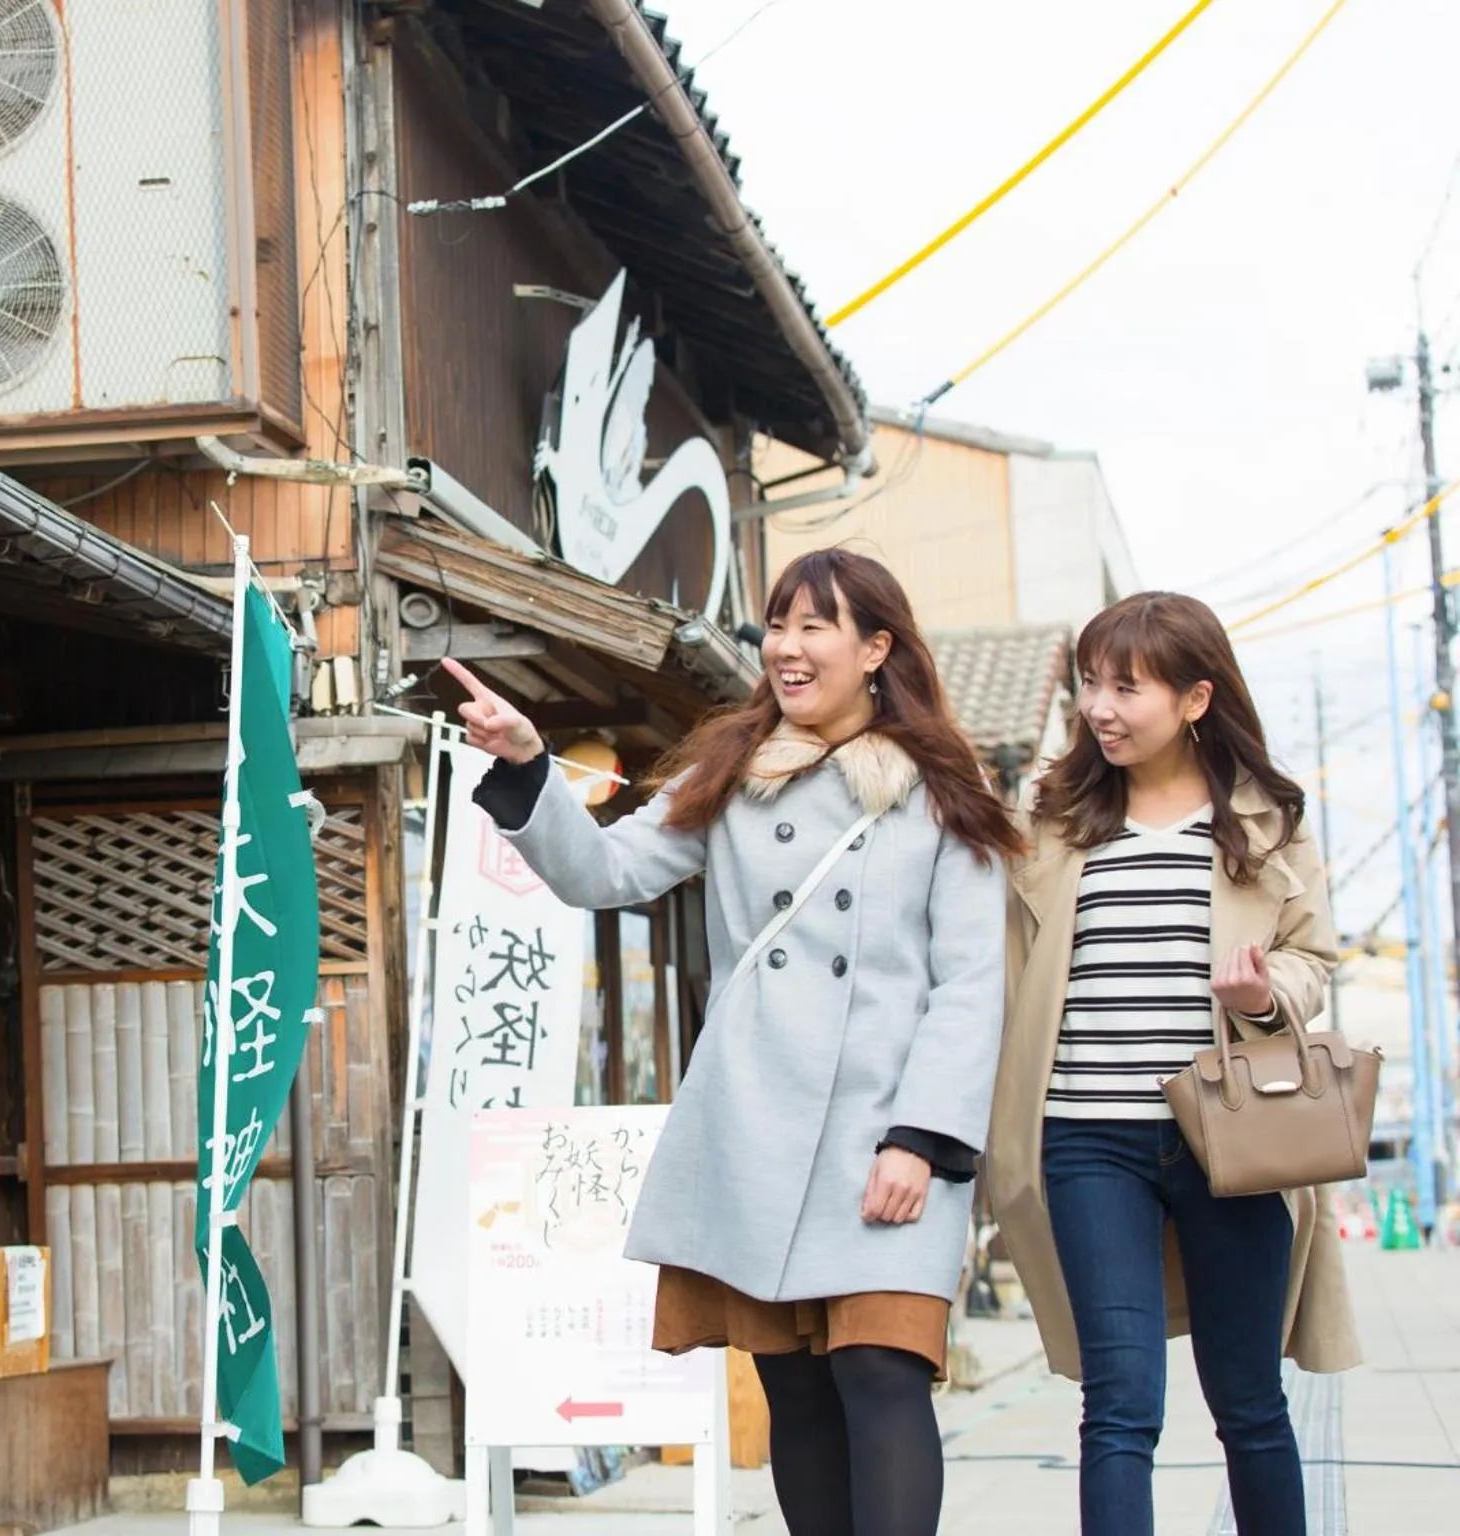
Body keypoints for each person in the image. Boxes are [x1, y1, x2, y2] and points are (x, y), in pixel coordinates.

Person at [445, 549, 1019, 1536]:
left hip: (889, 1137)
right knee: (794, 1391)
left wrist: (918, 1139)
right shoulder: (730, 775)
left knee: (881, 1371)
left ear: (874, 647)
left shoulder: (936, 791)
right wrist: (528, 765)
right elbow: (604, 872)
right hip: (758, 1129)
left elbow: (968, 982)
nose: (786, 650)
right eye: (776, 627)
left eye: (812, 627)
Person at [986, 592, 1360, 1536]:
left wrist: (1264, 995)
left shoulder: (1266, 819)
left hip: (1231, 1136)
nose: (1099, 708)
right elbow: (1005, 973)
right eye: (1089, 685)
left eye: (1126, 687)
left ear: (1195, 699)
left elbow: (1316, 960)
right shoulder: (1054, 818)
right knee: (1119, 1405)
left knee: (1249, 1402)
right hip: (1085, 1139)